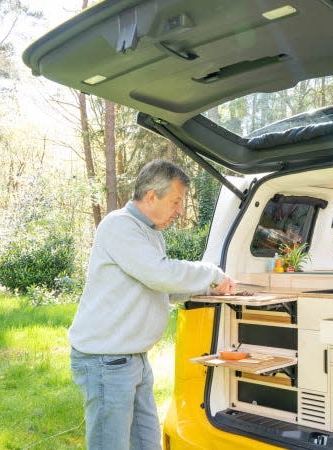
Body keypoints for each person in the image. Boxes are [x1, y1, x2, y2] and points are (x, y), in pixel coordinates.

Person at [68, 160, 235, 450]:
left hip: (132, 358)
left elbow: (161, 288)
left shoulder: (150, 233)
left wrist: (209, 291)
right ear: (150, 196)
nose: (180, 210)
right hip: (106, 359)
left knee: (147, 443)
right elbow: (160, 273)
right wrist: (212, 274)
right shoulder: (119, 226)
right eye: (176, 201)